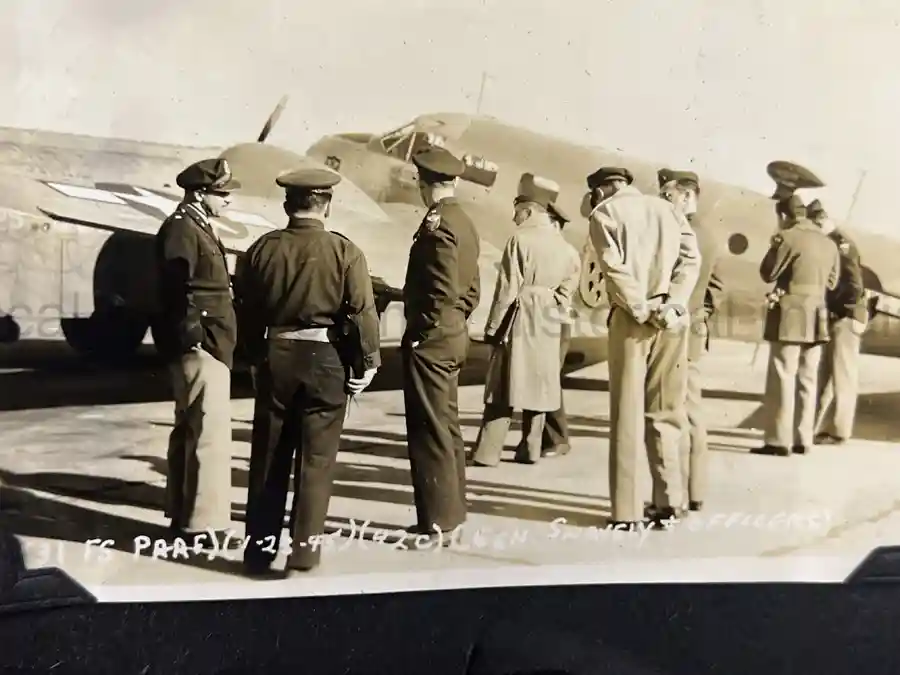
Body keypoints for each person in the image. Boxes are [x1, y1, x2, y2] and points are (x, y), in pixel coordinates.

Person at [234, 168, 381, 576]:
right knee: (317, 462)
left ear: (287, 204)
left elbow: (244, 310)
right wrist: (367, 365)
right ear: (327, 206)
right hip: (326, 360)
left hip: (276, 355)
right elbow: (362, 314)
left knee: (267, 460)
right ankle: (304, 555)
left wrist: (252, 357)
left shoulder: (261, 249)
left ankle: (258, 553)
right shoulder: (345, 252)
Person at [586, 166, 701, 529]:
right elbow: (690, 260)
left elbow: (612, 268)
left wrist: (640, 307)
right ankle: (671, 502)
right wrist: (675, 304)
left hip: (633, 319)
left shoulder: (604, 213)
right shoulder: (667, 209)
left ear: (602, 190)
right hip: (672, 320)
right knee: (667, 408)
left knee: (627, 414)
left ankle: (627, 512)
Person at [154, 157, 242, 546]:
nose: (227, 200)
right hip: (202, 343)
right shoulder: (182, 229)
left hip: (205, 340)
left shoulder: (194, 225)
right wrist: (195, 335)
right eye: (221, 193)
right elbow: (177, 288)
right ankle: (204, 526)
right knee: (208, 433)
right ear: (199, 193)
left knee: (192, 429)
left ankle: (183, 514)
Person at [470, 174, 580, 466]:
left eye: (517, 210)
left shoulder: (519, 240)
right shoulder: (568, 250)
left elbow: (507, 289)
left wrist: (493, 329)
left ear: (529, 211)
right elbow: (567, 295)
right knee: (539, 386)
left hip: (518, 317)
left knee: (502, 385)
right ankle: (530, 449)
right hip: (547, 321)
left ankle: (487, 453)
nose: (514, 215)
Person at [401, 147, 481, 546]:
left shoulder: (438, 222)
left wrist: (425, 328)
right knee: (446, 427)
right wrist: (453, 320)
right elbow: (472, 290)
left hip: (432, 339)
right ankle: (451, 514)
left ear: (423, 183)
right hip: (453, 335)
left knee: (429, 428)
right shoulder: (464, 221)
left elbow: (442, 288)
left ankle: (436, 521)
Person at [653, 168, 725, 514]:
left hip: (675, 330)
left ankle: (675, 496)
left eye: (667, 196)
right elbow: (717, 287)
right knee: (691, 412)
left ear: (685, 195)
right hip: (695, 330)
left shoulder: (680, 231)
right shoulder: (709, 234)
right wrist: (702, 317)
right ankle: (696, 492)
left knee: (672, 412)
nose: (663, 202)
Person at [752, 195, 840, 457]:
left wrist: (774, 245)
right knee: (808, 379)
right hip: (818, 316)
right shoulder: (829, 243)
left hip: (791, 314)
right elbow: (833, 283)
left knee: (783, 375)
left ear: (783, 216)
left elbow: (768, 273)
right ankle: (804, 439)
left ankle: (778, 441)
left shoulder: (788, 237)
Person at [807, 199, 868, 445]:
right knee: (828, 375)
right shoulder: (834, 243)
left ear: (822, 221)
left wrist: (840, 309)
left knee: (842, 376)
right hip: (840, 316)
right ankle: (821, 427)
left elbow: (854, 284)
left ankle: (840, 432)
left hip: (847, 316)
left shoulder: (842, 245)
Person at [541, 196, 580, 458]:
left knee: (549, 378)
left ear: (555, 225)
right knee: (543, 378)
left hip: (555, 320)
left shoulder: (564, 253)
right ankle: (547, 438)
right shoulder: (555, 251)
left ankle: (558, 439)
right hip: (549, 320)